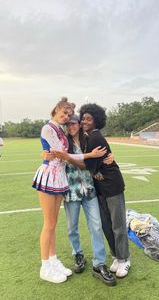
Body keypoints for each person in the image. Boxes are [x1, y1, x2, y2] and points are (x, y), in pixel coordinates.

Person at [32, 98, 107, 284]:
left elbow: (60, 154)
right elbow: (62, 154)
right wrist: (89, 155)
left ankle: (53, 260)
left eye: (70, 116)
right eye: (64, 114)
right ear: (56, 109)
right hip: (51, 177)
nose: (67, 118)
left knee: (53, 224)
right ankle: (45, 265)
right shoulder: (49, 128)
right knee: (51, 224)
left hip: (61, 179)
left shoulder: (62, 132)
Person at [51, 114, 116, 286]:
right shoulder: (63, 141)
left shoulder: (89, 139)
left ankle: (99, 264)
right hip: (71, 191)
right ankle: (78, 254)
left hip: (89, 190)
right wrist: (86, 158)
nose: (71, 126)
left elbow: (102, 153)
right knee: (72, 227)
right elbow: (66, 160)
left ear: (79, 124)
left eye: (74, 123)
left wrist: (111, 155)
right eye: (68, 124)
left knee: (96, 226)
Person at [79, 103, 131, 278]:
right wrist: (94, 170)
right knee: (106, 224)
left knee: (117, 224)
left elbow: (87, 164)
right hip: (100, 187)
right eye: (83, 118)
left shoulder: (95, 137)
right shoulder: (87, 137)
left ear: (96, 121)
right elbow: (92, 165)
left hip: (112, 184)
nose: (85, 121)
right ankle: (116, 255)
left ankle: (125, 258)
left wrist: (67, 158)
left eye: (89, 118)